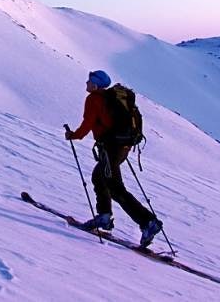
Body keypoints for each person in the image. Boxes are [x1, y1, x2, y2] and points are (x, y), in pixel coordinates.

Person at [64, 69, 164, 247]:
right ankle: (104, 216)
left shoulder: (94, 99)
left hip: (110, 147)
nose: (86, 84)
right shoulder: (113, 98)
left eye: (89, 81)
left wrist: (74, 135)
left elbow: (88, 123)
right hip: (122, 147)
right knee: (99, 177)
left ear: (96, 85)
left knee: (116, 188)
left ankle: (148, 222)